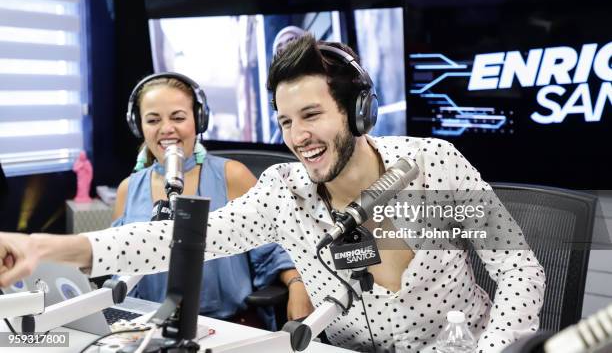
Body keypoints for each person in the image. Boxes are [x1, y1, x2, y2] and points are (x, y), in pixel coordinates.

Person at [0, 35, 545, 353]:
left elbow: (520, 269)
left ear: (358, 112)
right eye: (286, 121)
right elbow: (178, 238)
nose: (298, 137)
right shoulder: (285, 192)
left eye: (311, 115)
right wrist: (42, 248)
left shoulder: (431, 167)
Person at [114, 72, 313, 329]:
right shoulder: (127, 189)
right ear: (138, 125)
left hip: (230, 326)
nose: (166, 129)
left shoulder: (232, 175)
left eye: (178, 117)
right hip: (151, 327)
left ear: (198, 120)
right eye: (153, 120)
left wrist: (297, 285)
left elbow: (276, 247)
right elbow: (120, 265)